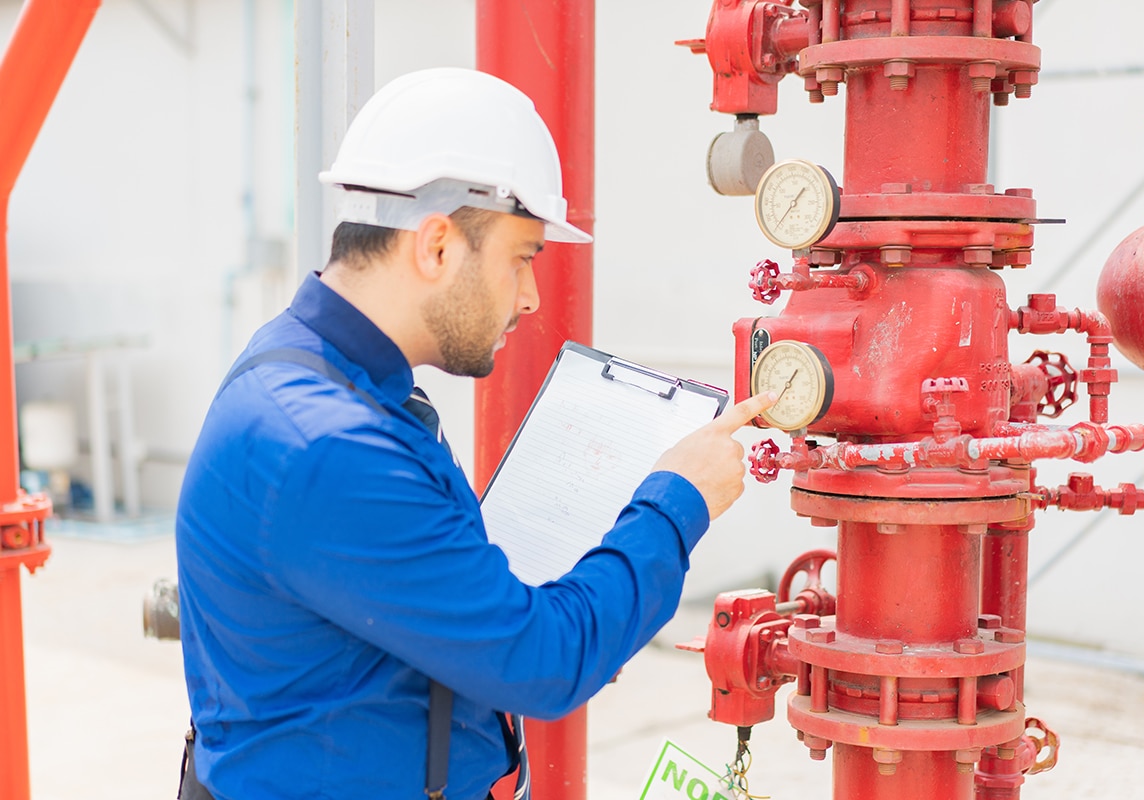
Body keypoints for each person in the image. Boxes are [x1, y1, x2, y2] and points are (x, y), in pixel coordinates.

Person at [175, 67, 775, 800]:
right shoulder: (329, 446)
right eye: (521, 259)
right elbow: (544, 662)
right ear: (434, 246)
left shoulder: (320, 369)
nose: (529, 298)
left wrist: (589, 599)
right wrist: (679, 502)